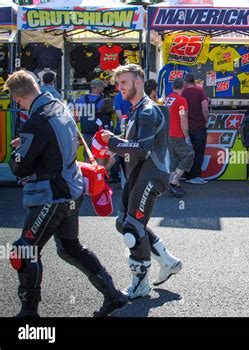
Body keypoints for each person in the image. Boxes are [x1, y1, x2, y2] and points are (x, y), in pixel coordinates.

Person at [5, 70, 127, 317]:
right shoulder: (58, 106)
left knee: (23, 250)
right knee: (70, 248)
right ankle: (113, 295)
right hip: (72, 188)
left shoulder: (36, 120)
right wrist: (29, 144)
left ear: (17, 99)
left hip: (51, 195)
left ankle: (28, 313)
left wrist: (17, 150)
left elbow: (20, 166)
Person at [101, 64, 182, 299]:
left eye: (124, 82)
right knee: (123, 223)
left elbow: (143, 149)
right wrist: (113, 143)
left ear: (138, 81)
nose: (119, 88)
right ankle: (167, 260)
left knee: (132, 228)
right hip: (138, 173)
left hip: (152, 174)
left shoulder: (147, 110)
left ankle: (140, 283)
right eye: (118, 83)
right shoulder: (136, 109)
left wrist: (112, 143)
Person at [163, 78, 195, 197]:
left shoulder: (167, 99)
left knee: (174, 159)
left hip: (167, 133)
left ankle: (174, 185)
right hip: (177, 134)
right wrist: (186, 134)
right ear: (183, 87)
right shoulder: (181, 100)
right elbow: (183, 118)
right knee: (188, 155)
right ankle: (173, 182)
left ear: (172, 87)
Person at [182, 74, 209, 184]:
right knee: (199, 152)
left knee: (187, 152)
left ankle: (186, 175)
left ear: (185, 82)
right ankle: (194, 176)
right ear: (194, 81)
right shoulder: (200, 91)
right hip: (198, 126)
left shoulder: (182, 93)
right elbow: (205, 109)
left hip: (186, 127)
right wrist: (206, 121)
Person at [76, 79, 106, 162]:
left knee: (87, 155)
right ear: (98, 88)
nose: (103, 89)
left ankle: (87, 174)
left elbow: (76, 113)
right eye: (102, 87)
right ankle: (99, 174)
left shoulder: (81, 99)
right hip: (99, 133)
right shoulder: (103, 101)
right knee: (100, 155)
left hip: (85, 131)